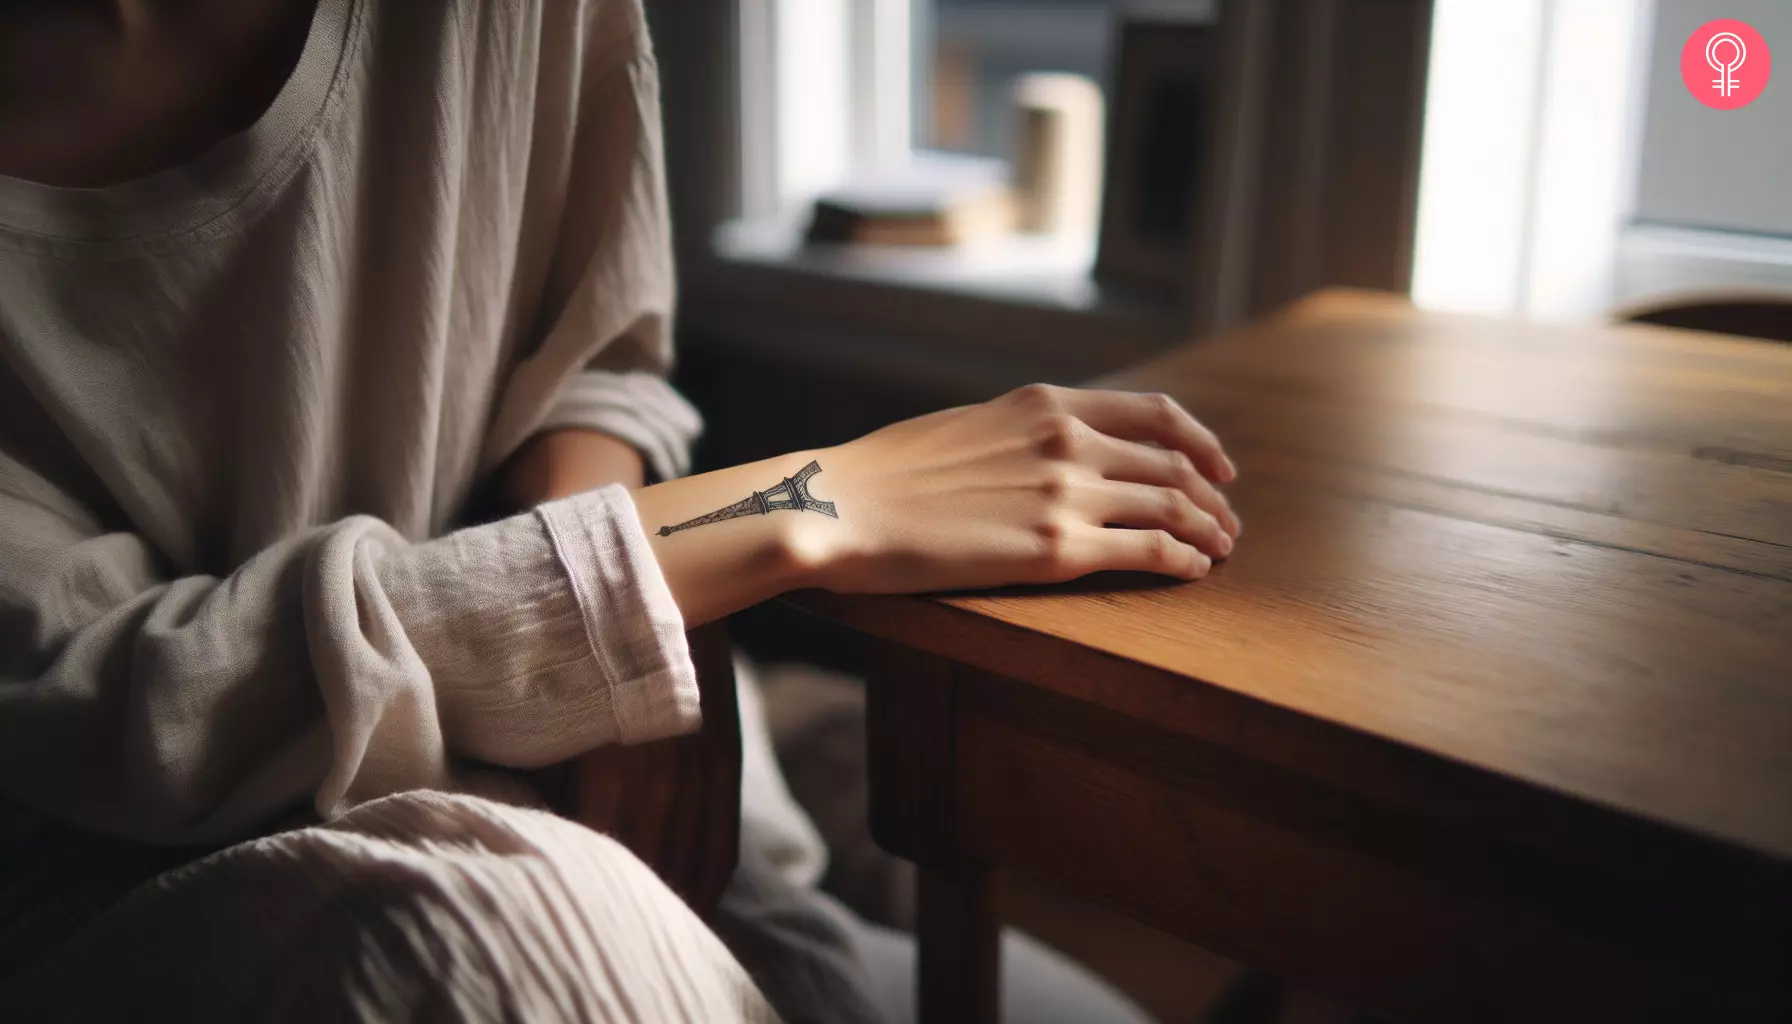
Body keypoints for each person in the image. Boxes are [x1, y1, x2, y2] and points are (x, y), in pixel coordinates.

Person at [0, 0, 1243, 1020]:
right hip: (148, 889)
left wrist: (638, 643)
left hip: (609, 779)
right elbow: (115, 696)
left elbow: (598, 357)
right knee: (503, 944)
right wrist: (784, 514)